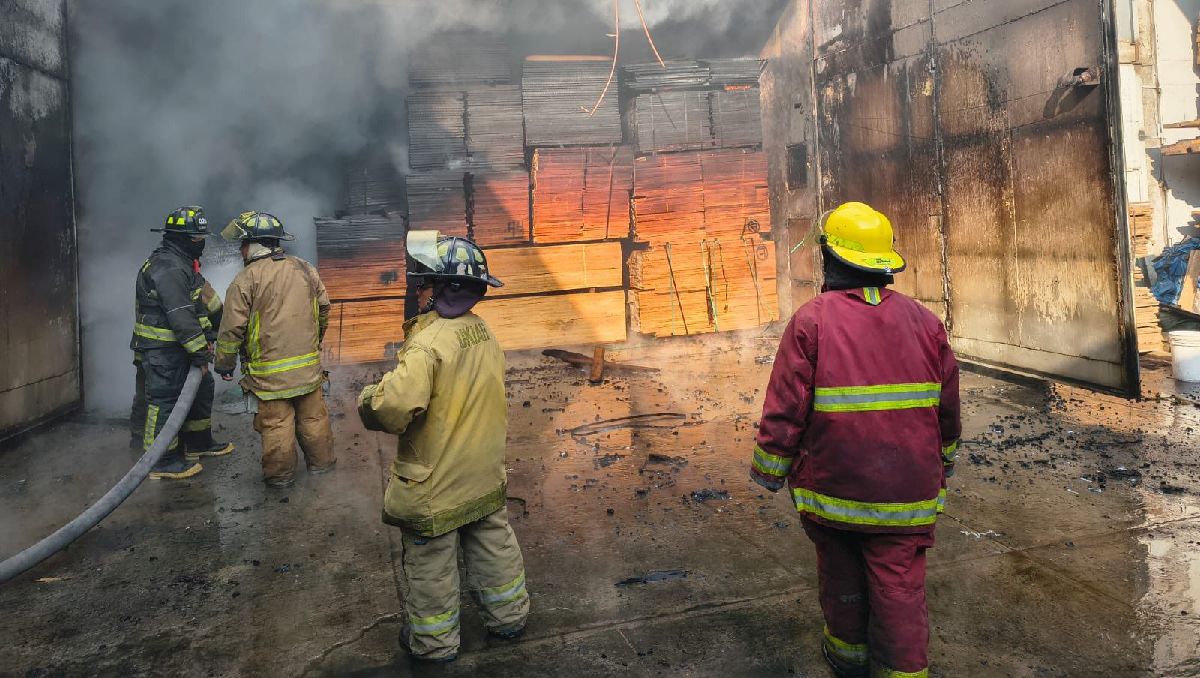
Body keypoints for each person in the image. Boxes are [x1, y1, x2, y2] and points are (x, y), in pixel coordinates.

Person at [751, 202, 961, 678]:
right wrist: (944, 459)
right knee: (899, 586)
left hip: (836, 491)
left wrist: (769, 468)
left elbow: (786, 405)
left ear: (830, 258)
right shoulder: (926, 323)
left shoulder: (812, 320)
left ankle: (847, 660)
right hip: (908, 492)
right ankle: (904, 672)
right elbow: (947, 407)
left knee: (842, 575)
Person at [357, 231, 530, 664]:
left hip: (435, 483)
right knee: (494, 544)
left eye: (424, 283)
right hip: (483, 472)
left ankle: (434, 645)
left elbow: (395, 408)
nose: (418, 291)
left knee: (430, 563)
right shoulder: (482, 332)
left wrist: (368, 399)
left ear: (440, 289)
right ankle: (508, 619)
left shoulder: (428, 345)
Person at [213, 211, 335, 489]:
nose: (240, 250)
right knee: (314, 419)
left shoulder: (246, 280)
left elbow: (231, 329)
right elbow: (324, 309)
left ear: (254, 244)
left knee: (277, 426)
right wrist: (313, 342)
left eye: (242, 244)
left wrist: (224, 363)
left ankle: (281, 479)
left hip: (270, 375)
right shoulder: (304, 268)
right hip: (308, 368)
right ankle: (323, 467)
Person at [130, 205, 233, 479]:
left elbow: (205, 301)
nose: (201, 244)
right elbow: (181, 316)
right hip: (162, 351)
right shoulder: (168, 267)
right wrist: (200, 352)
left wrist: (218, 330)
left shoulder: (183, 263)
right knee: (165, 401)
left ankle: (198, 444)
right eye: (197, 239)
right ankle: (160, 460)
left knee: (202, 389)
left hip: (180, 349)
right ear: (181, 238)